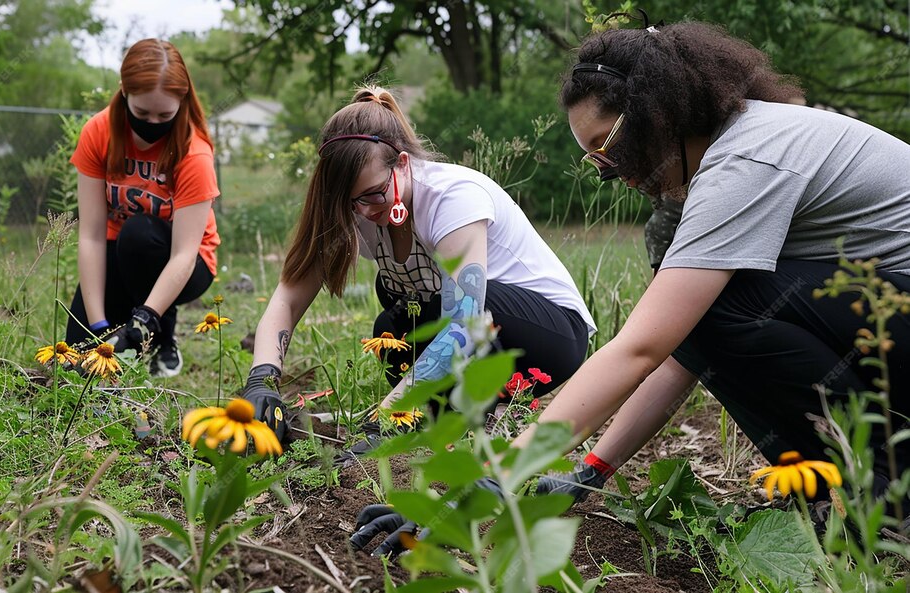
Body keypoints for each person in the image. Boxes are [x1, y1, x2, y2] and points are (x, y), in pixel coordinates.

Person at [351, 19, 910, 555]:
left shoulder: (743, 163)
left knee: (710, 311)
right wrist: (589, 472)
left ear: (657, 113)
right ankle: (836, 488)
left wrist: (490, 487)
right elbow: (678, 352)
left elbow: (641, 348)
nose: (609, 170)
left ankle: (879, 489)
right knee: (707, 315)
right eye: (593, 159)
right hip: (885, 311)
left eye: (609, 144)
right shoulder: (720, 165)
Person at [240, 86, 595, 445]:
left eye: (374, 194)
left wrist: (385, 419)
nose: (364, 212)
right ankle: (456, 418)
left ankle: (489, 417)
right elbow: (288, 296)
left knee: (470, 302)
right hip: (478, 337)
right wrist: (262, 380)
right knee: (390, 326)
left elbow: (467, 324)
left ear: (404, 164)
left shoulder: (453, 199)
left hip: (552, 335)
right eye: (351, 203)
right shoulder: (353, 208)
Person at [66, 38, 220, 377]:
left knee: (138, 235)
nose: (153, 123)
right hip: (114, 251)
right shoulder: (98, 133)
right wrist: (98, 325)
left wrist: (145, 319)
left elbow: (183, 253)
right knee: (77, 359)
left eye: (164, 114)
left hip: (186, 262)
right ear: (124, 91)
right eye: (142, 113)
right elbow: (91, 235)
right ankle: (132, 325)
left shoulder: (194, 154)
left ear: (182, 99)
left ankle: (161, 333)